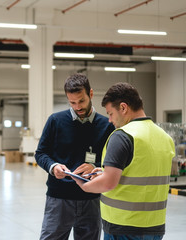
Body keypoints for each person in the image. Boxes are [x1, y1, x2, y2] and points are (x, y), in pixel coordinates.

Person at [72, 82, 175, 240]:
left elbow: (108, 183)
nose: (109, 120)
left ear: (123, 107)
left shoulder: (123, 136)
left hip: (124, 226)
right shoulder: (164, 137)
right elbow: (141, 172)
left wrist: (84, 185)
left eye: (111, 113)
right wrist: (105, 172)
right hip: (155, 226)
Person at [35, 73, 115, 240]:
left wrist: (95, 166)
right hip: (59, 199)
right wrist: (53, 166)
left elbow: (112, 161)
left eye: (81, 101)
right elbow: (41, 153)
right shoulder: (55, 121)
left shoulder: (106, 126)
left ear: (91, 94)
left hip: (91, 199)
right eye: (72, 102)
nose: (77, 107)